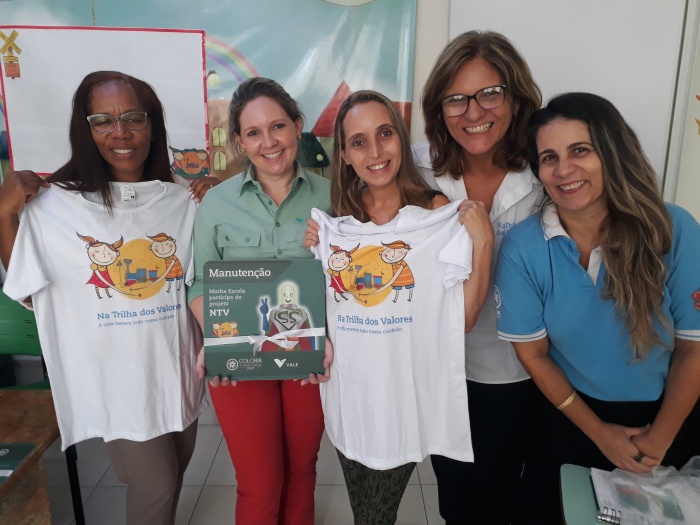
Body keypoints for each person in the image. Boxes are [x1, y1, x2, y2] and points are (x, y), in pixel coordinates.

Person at [0, 70, 208, 525]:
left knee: (173, 474)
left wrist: (216, 199)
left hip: (177, 371)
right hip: (119, 382)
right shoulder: (57, 205)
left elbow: (208, 276)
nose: (121, 132)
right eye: (103, 120)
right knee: (156, 485)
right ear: (85, 129)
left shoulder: (179, 198)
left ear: (152, 125)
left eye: (133, 118)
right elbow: (27, 285)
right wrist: (4, 214)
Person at [495, 92, 700, 525]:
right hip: (572, 417)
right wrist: (599, 433)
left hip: (670, 416)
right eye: (549, 157)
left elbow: (693, 348)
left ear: (612, 152)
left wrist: (658, 442)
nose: (563, 169)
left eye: (580, 150)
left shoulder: (673, 229)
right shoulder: (523, 247)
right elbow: (533, 354)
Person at [304, 90, 494, 524]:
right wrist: (317, 245)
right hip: (351, 394)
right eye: (358, 142)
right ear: (345, 155)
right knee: (365, 509)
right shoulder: (340, 217)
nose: (375, 152)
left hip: (402, 398)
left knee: (375, 515)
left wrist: (483, 245)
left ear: (401, 139)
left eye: (385, 134)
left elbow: (462, 320)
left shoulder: (435, 212)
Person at [187, 77, 331, 525]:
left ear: (297, 126)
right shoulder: (216, 203)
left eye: (278, 126)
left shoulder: (334, 197)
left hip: (309, 357)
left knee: (302, 468)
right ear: (239, 141)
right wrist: (216, 338)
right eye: (253, 132)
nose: (269, 142)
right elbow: (198, 285)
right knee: (259, 482)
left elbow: (348, 281)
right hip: (239, 359)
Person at [414, 30, 542, 524]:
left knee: (498, 495)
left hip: (516, 372)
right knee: (453, 497)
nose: (473, 112)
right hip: (440, 369)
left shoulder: (546, 173)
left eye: (489, 93)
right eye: (456, 99)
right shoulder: (418, 169)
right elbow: (353, 191)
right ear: (439, 108)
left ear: (516, 98)